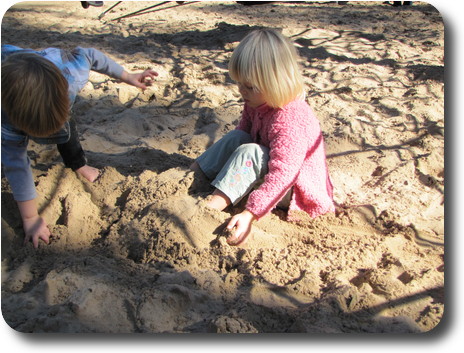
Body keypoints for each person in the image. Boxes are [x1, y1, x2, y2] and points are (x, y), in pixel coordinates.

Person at [1, 44, 158, 248]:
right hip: (9, 77)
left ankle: (78, 163)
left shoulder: (72, 75)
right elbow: (17, 166)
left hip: (48, 65)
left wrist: (127, 75)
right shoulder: (7, 119)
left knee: (66, 128)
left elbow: (91, 55)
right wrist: (31, 219)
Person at [190, 29, 335, 246]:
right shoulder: (256, 101)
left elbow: (284, 174)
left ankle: (211, 208)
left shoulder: (290, 118)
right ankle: (191, 177)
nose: (242, 91)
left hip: (295, 190)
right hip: (270, 169)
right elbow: (243, 134)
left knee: (251, 152)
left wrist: (250, 214)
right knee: (237, 137)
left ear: (275, 83)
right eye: (239, 83)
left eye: (249, 86)